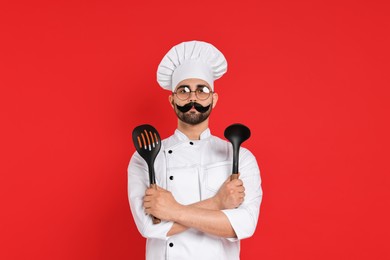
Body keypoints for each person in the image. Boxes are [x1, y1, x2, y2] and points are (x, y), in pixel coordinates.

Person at [128, 40, 262, 260]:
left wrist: (170, 211)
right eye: (183, 91)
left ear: (213, 99)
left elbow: (243, 225)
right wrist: (217, 204)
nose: (192, 98)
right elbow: (149, 227)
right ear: (172, 100)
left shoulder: (240, 156)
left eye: (202, 90)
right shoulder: (146, 156)